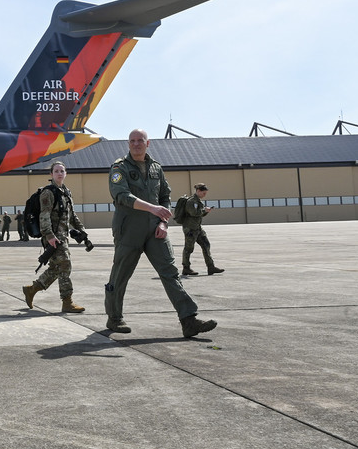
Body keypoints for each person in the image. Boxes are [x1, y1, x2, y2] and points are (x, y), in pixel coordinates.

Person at [103, 129, 217, 338]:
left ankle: (188, 319)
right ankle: (114, 317)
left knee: (170, 272)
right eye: (132, 141)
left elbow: (165, 196)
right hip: (129, 229)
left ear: (148, 144)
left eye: (140, 141)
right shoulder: (119, 168)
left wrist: (163, 222)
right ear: (128, 144)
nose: (136, 144)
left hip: (155, 229)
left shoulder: (156, 168)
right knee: (121, 274)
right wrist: (152, 209)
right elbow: (121, 195)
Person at [22, 161, 87, 313]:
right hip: (52, 236)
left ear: (65, 174)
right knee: (65, 264)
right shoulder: (48, 193)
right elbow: (44, 216)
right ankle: (67, 302)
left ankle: (32, 289)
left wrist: (82, 230)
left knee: (56, 268)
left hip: (63, 236)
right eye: (56, 171)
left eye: (62, 171)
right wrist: (49, 236)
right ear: (51, 174)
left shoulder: (66, 192)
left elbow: (72, 216)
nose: (59, 173)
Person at [180, 183, 225, 276]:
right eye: (203, 193)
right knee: (189, 248)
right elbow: (193, 213)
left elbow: (199, 214)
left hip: (197, 228)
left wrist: (206, 211)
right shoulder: (192, 201)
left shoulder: (198, 201)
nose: (205, 195)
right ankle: (186, 268)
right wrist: (204, 210)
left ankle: (211, 267)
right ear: (198, 191)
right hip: (190, 228)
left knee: (206, 245)